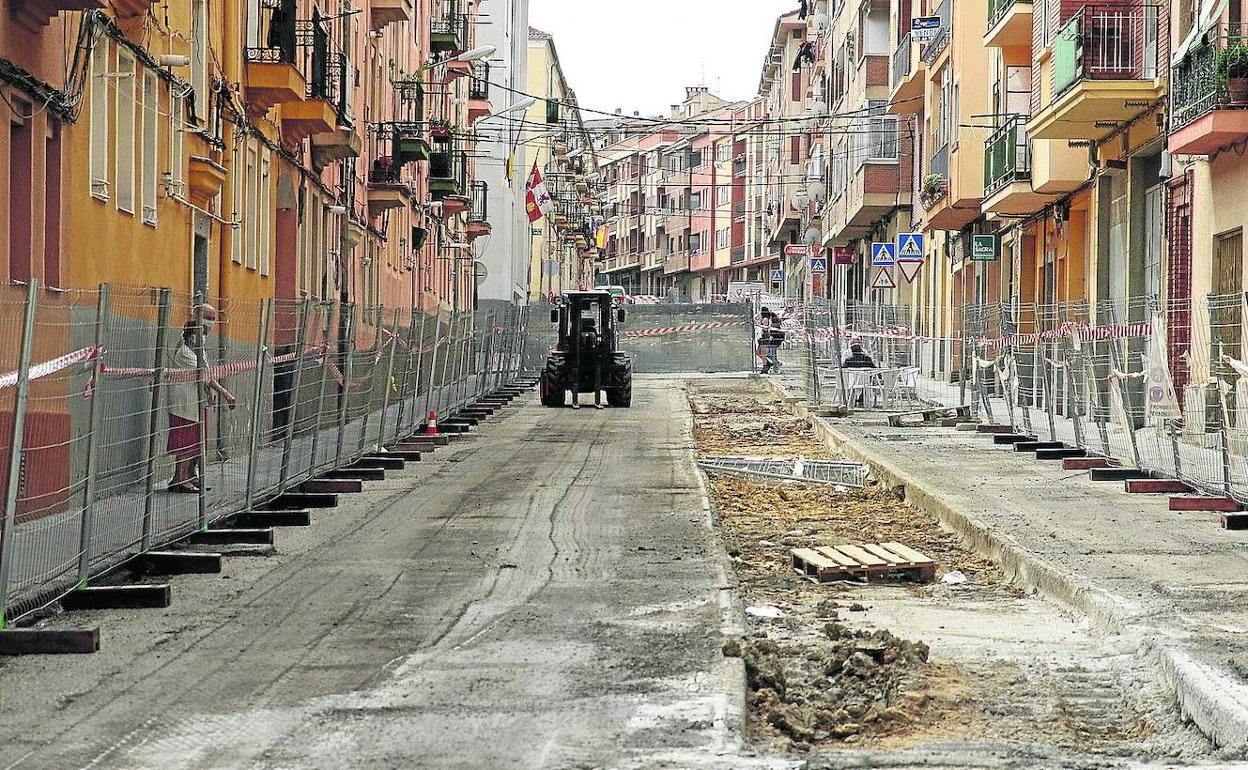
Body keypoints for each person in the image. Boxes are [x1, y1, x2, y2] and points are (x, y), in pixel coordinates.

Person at [167, 304, 236, 493]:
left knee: (196, 441)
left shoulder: (199, 348)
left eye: (213, 319)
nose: (210, 325)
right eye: (208, 318)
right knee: (186, 442)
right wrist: (225, 393)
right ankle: (181, 478)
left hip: (197, 402)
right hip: (185, 403)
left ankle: (189, 476)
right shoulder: (185, 352)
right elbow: (205, 375)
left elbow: (205, 372)